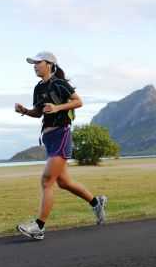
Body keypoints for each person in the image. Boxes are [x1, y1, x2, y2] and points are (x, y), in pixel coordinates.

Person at [14, 51, 107, 240]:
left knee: (47, 181)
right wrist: (24, 111)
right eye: (33, 63)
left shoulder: (59, 83)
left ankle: (39, 227)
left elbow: (78, 102)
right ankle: (96, 202)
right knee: (64, 182)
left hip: (61, 134)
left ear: (49, 64)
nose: (34, 65)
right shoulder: (38, 88)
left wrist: (57, 107)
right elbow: (39, 113)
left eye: (38, 62)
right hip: (48, 138)